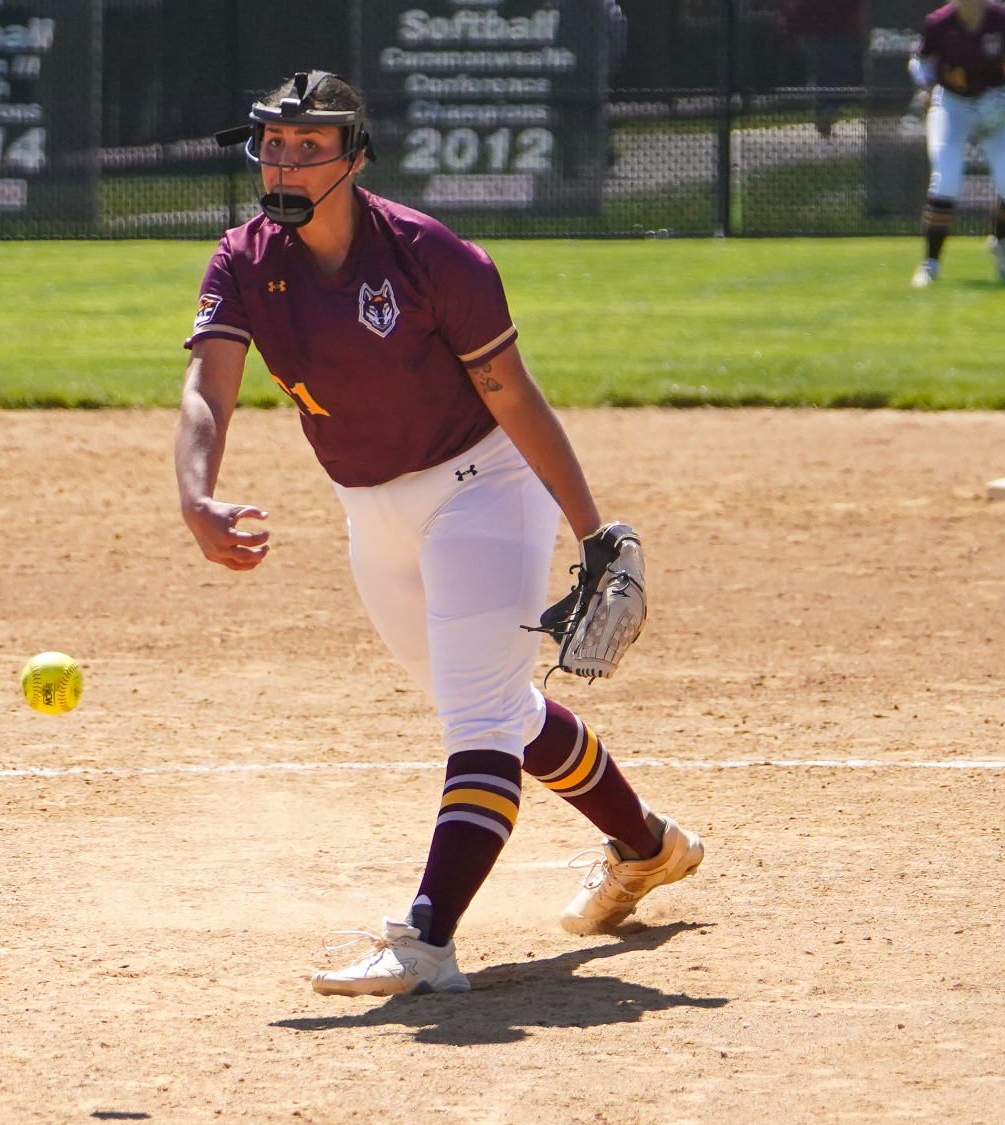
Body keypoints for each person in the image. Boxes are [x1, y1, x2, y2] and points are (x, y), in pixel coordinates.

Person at [177, 72, 705, 997]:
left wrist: (593, 532)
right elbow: (208, 388)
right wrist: (195, 494)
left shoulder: (430, 256)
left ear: (355, 156)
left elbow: (513, 395)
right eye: (272, 144)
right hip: (369, 512)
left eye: (310, 145)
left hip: (484, 493)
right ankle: (646, 845)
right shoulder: (244, 256)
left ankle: (426, 939)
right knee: (501, 710)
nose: (285, 162)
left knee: (478, 717)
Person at [908, 0, 1005, 287]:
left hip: (993, 102)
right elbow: (921, 60)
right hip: (953, 105)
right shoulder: (939, 23)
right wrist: (926, 85)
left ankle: (1000, 243)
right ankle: (930, 264)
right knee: (945, 180)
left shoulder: (1003, 18)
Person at [783, 0, 863, 138]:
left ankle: (822, 108)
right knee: (837, 72)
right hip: (836, 27)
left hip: (813, 25)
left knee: (819, 70)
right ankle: (826, 108)